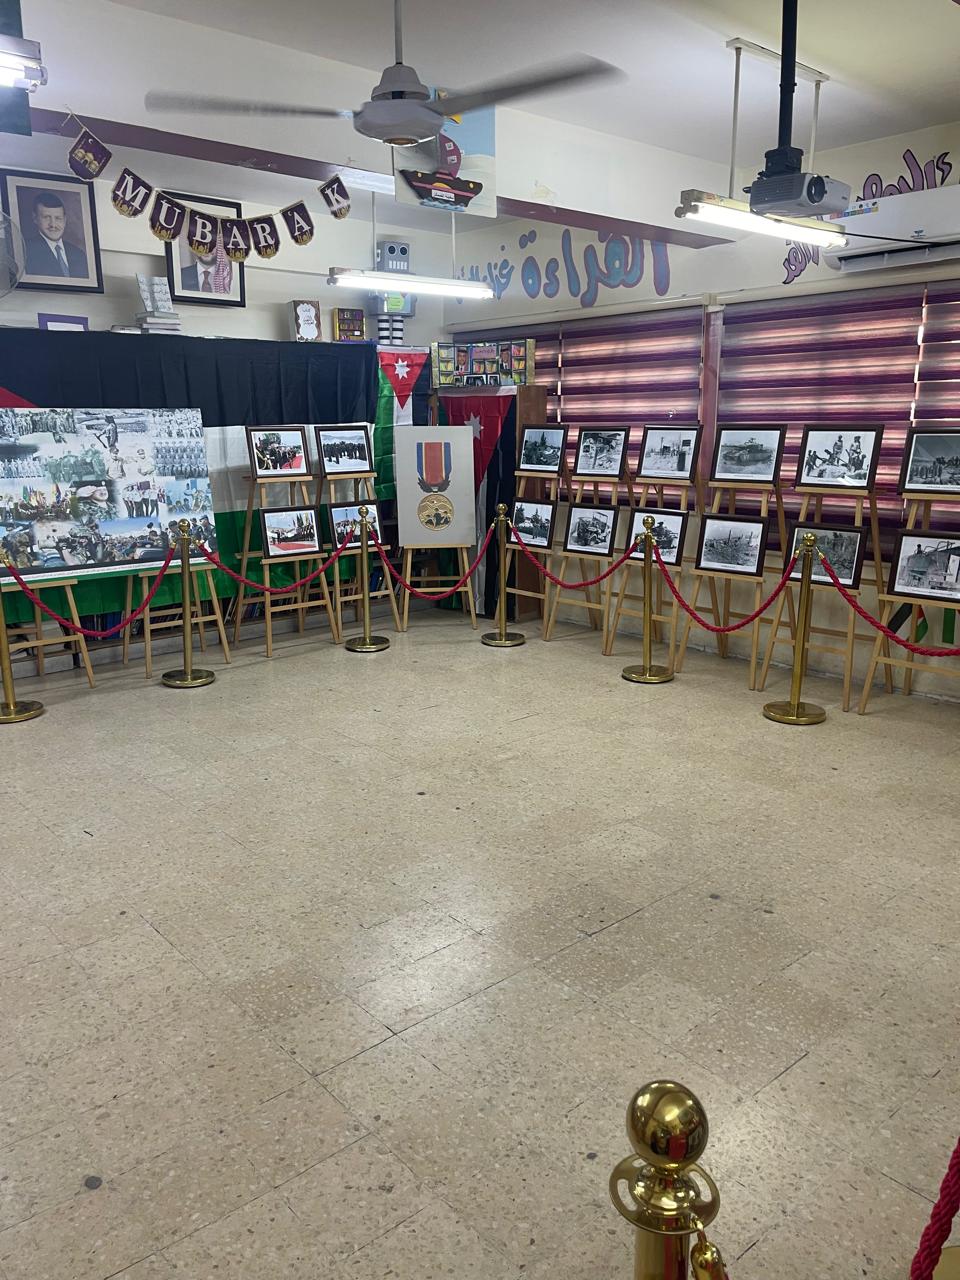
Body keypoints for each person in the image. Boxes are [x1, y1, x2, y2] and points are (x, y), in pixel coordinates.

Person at [23, 191, 89, 278]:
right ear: (35, 218)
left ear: (65, 220)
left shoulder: (79, 255)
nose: (53, 224)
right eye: (46, 217)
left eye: (58, 218)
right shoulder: (25, 250)